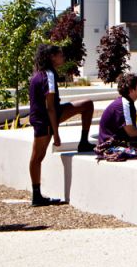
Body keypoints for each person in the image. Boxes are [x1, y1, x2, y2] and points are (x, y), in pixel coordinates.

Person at [27, 44, 95, 207]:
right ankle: (36, 196)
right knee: (37, 157)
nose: (62, 58)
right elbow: (50, 107)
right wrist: (56, 134)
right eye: (60, 55)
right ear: (52, 57)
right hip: (46, 119)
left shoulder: (37, 74)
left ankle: (83, 142)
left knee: (87, 105)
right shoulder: (48, 75)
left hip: (45, 116)